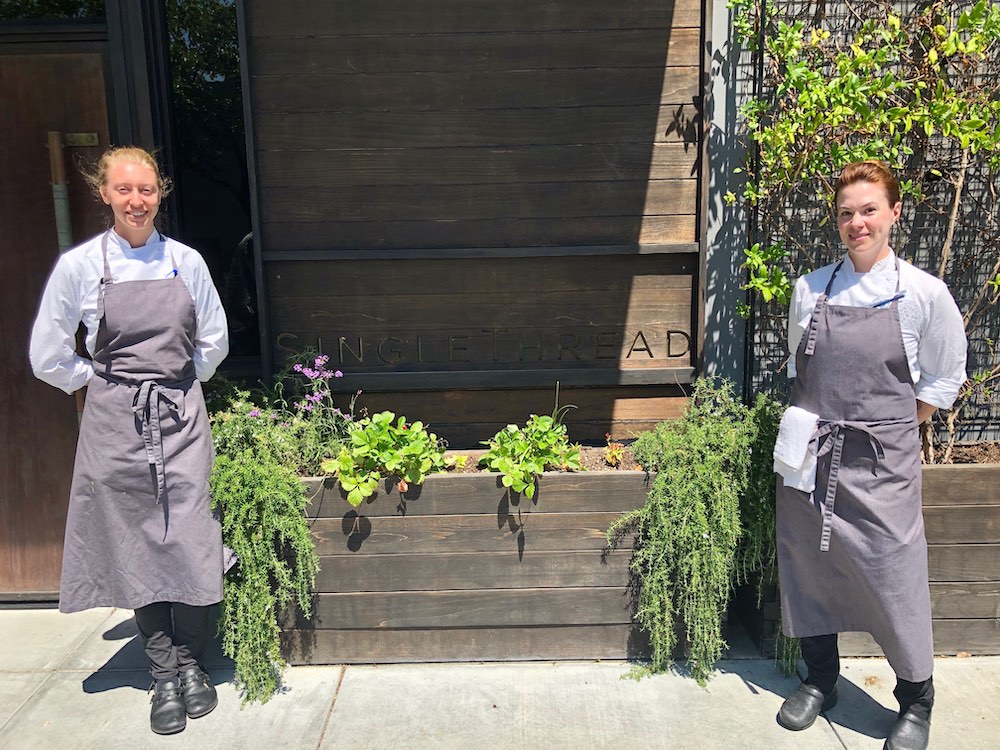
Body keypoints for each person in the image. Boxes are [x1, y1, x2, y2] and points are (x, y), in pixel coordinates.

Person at [29, 146, 229, 735]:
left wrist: (178, 384)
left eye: (146, 189)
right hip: (115, 425)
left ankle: (192, 661)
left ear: (160, 192)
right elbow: (48, 355)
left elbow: (212, 341)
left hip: (181, 416)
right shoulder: (79, 267)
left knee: (191, 537)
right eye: (124, 190)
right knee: (136, 545)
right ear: (104, 194)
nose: (136, 201)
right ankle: (164, 672)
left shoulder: (185, 262)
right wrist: (98, 380)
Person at [773, 160, 967, 750]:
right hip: (813, 457)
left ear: (894, 213)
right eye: (846, 213)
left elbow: (943, 376)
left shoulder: (924, 295)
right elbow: (796, 366)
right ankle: (821, 680)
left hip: (883, 463)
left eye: (869, 210)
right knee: (809, 565)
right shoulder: (809, 289)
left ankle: (915, 700)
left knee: (894, 573)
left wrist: (894, 426)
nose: (857, 223)